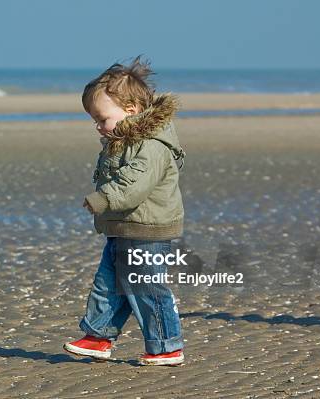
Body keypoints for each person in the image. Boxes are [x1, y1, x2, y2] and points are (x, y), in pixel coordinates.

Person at [63, 56, 186, 366]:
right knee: (109, 283)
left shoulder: (152, 145)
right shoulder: (121, 141)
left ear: (130, 110)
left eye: (102, 118)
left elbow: (134, 185)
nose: (98, 126)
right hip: (123, 227)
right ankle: (97, 336)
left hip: (148, 230)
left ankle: (166, 346)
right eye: (94, 119)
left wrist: (103, 199)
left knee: (147, 287)